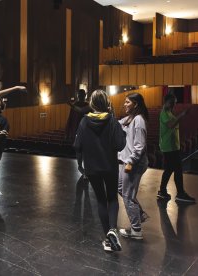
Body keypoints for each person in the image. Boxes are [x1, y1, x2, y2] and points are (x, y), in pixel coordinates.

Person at [74, 90, 126, 252]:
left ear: (92, 103)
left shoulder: (84, 122)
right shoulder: (112, 121)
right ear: (107, 103)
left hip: (92, 168)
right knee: (112, 199)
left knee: (101, 201)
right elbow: (120, 145)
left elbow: (78, 146)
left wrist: (80, 164)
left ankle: (108, 239)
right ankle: (112, 230)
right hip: (110, 166)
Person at [117, 93, 149, 240]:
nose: (124, 104)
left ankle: (136, 230)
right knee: (120, 188)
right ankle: (140, 214)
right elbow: (117, 124)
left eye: (127, 102)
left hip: (133, 163)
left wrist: (130, 162)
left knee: (128, 196)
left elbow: (139, 146)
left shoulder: (139, 120)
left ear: (135, 104)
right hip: (126, 161)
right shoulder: (129, 119)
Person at [157, 94, 195, 203]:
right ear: (166, 101)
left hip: (173, 145)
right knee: (176, 169)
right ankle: (179, 193)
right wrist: (182, 115)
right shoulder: (164, 112)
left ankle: (163, 191)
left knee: (170, 169)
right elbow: (170, 125)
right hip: (168, 146)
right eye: (172, 102)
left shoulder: (169, 112)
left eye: (175, 102)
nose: (174, 104)